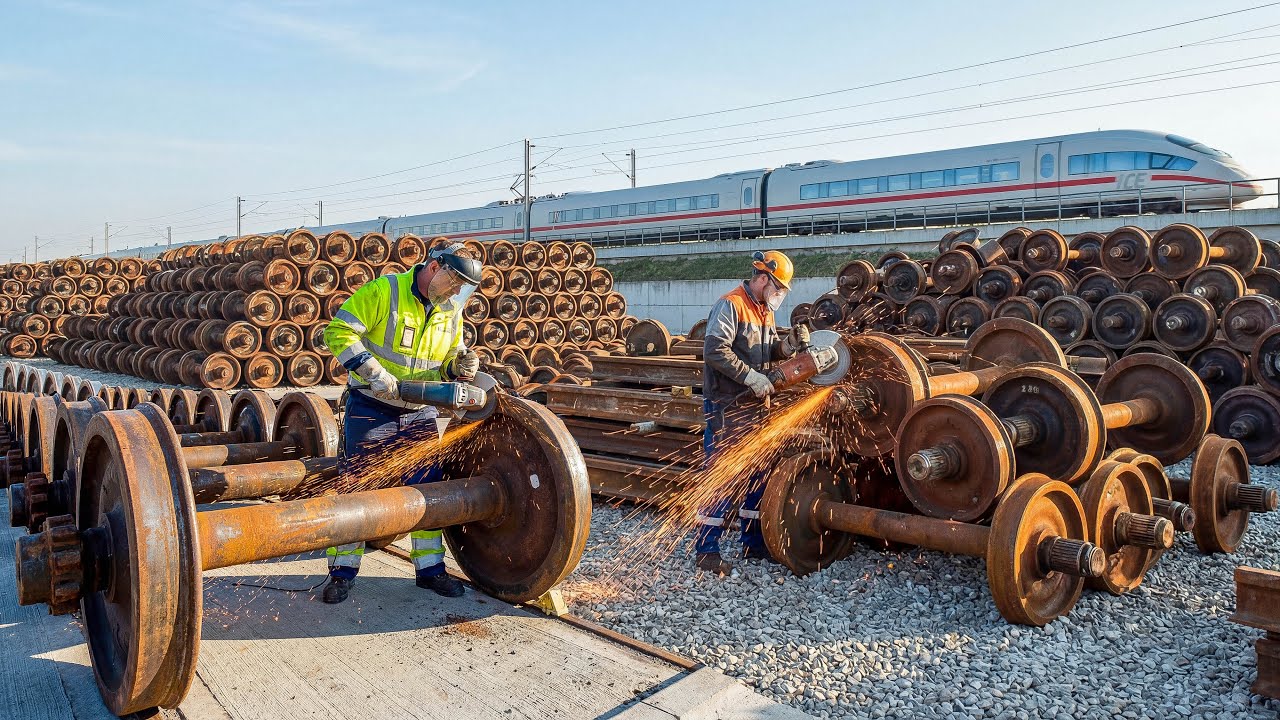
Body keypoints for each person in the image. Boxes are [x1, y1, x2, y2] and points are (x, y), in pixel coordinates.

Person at [320, 240, 484, 604]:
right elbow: (337, 333)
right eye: (454, 281)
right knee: (358, 489)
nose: (457, 290)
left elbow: (445, 363)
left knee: (428, 492)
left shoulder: (449, 311)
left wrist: (458, 367)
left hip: (419, 412)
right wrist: (372, 371)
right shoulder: (385, 291)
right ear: (434, 266)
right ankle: (342, 574)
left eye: (463, 286)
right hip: (372, 405)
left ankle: (430, 571)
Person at [694, 250, 810, 575]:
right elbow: (714, 350)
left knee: (757, 477)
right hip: (727, 406)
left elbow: (767, 351)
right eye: (777, 288)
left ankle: (753, 545)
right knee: (723, 477)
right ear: (762, 278)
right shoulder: (731, 304)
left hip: (756, 409)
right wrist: (750, 376)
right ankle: (706, 551)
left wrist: (786, 348)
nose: (779, 295)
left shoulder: (764, 311)